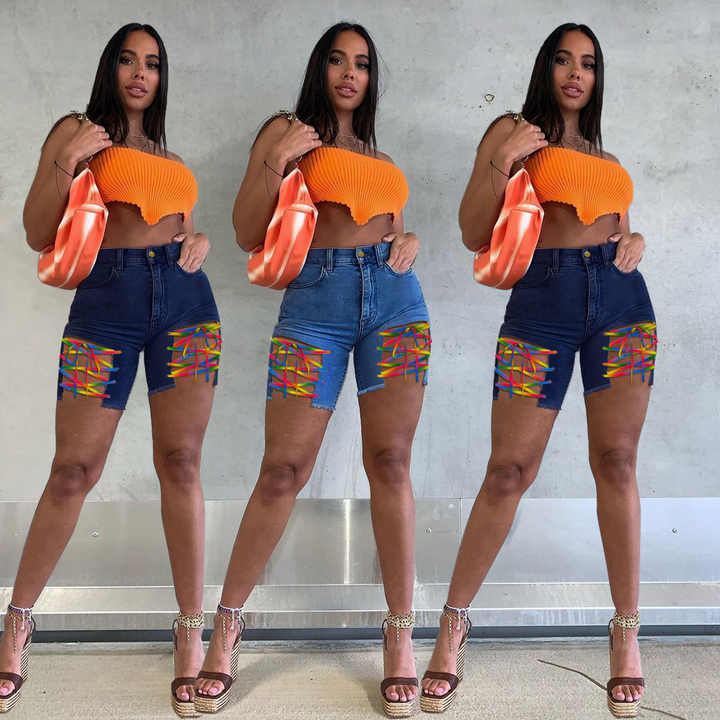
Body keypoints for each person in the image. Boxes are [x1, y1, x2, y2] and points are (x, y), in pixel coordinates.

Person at [194, 22, 429, 718]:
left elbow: (391, 226)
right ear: (319, 69)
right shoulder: (287, 131)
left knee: (391, 463)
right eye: (337, 60)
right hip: (315, 306)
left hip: (397, 304)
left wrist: (408, 239)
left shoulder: (379, 157)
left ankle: (399, 635)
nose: (350, 73)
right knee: (282, 470)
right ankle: (225, 628)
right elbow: (245, 230)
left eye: (362, 63)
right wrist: (277, 160)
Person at [420, 23, 653, 718]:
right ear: (545, 68)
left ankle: (626, 634)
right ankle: (453, 626)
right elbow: (472, 229)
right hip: (541, 305)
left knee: (617, 463)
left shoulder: (605, 157)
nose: (576, 73)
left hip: (623, 306)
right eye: (563, 59)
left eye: (588, 63)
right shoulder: (512, 132)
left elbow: (617, 227)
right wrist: (503, 160)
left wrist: (635, 238)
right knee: (508, 470)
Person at [0, 23, 218, 717]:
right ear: (110, 68)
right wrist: (66, 162)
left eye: (152, 63)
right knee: (74, 470)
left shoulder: (170, 158)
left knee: (181, 463)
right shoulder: (78, 133)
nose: (140, 73)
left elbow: (178, 226)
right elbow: (37, 230)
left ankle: (190, 631)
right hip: (106, 304)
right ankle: (16, 623)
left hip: (188, 308)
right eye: (128, 59)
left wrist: (197, 239)